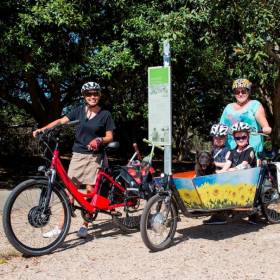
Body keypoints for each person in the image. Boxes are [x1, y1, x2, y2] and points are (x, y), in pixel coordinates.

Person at [33, 81, 116, 238]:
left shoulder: (105, 114)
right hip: (77, 155)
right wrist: (43, 129)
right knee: (69, 192)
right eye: (89, 94)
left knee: (90, 191)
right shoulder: (78, 111)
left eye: (95, 94)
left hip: (94, 157)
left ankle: (85, 224)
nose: (92, 97)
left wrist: (99, 140)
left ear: (99, 95)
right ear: (84, 96)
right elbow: (60, 121)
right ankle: (60, 227)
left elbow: (110, 136)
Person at [220, 78, 271, 162]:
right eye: (237, 92)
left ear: (249, 92)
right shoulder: (228, 108)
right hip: (230, 152)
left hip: (251, 151)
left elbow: (262, 121)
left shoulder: (254, 104)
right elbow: (221, 127)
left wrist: (266, 127)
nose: (240, 94)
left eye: (243, 91)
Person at [202, 124, 230, 225]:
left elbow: (227, 163)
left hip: (221, 174)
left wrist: (215, 164)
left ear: (226, 137)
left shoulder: (227, 150)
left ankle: (220, 215)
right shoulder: (213, 150)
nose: (218, 139)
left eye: (221, 137)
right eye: (216, 137)